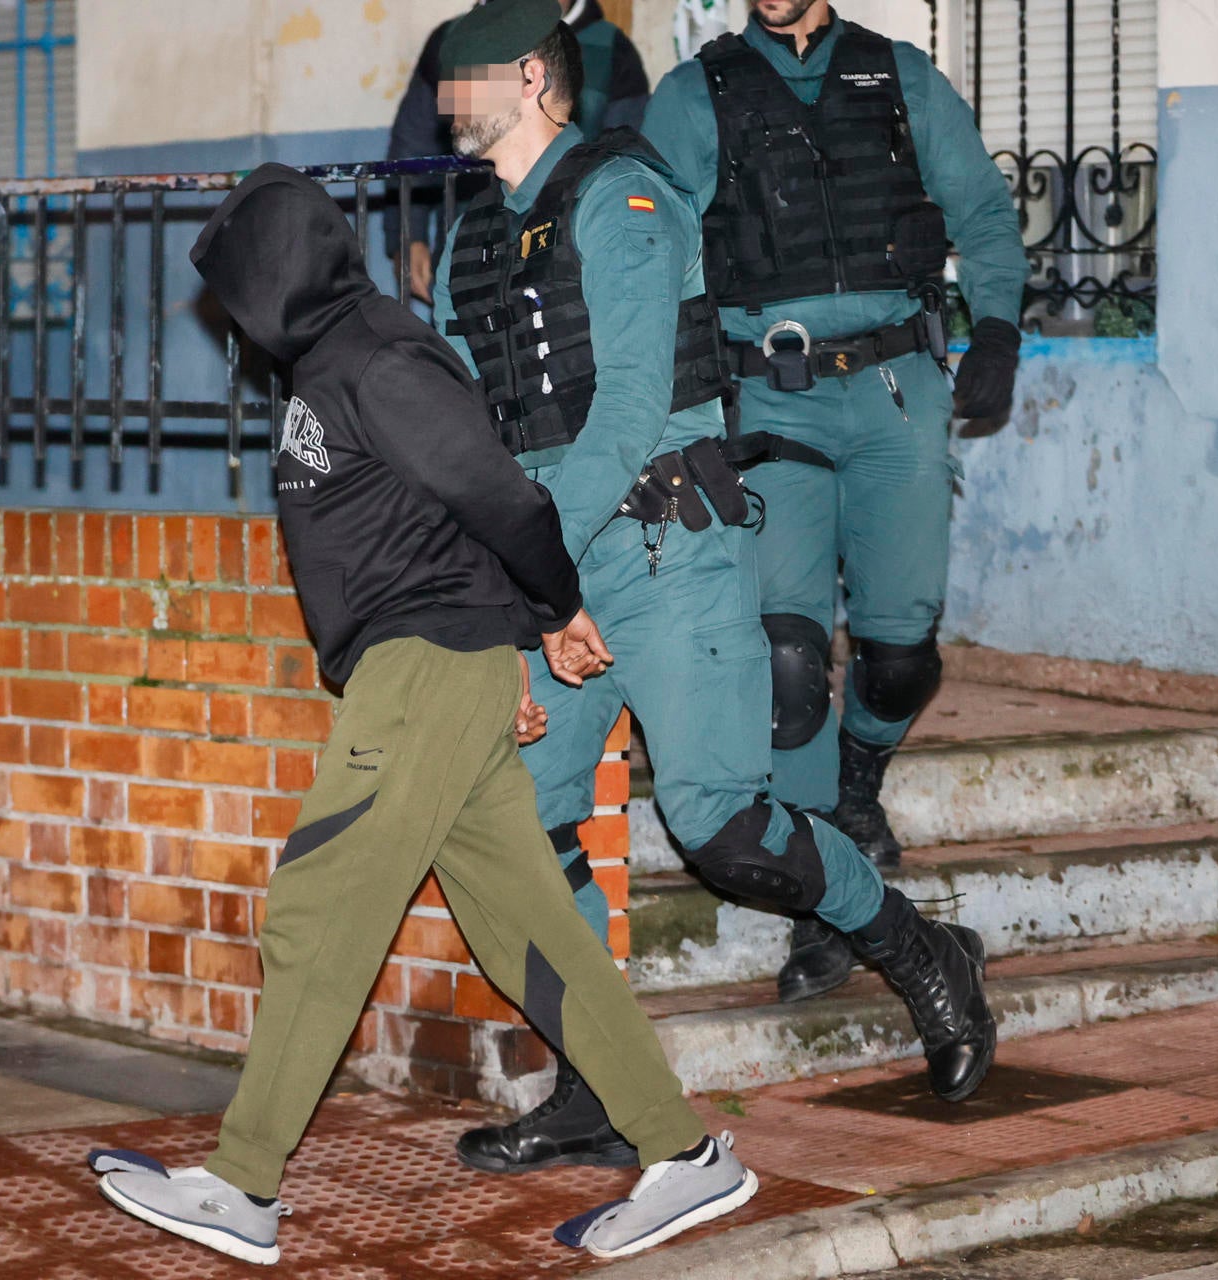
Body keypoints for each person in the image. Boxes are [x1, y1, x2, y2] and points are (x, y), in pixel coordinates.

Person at [87, 162, 760, 1266]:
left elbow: (495, 493)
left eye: (236, 286)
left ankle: (246, 1180)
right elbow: (431, 517)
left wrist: (544, 613)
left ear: (277, 272)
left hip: (424, 668)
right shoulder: (327, 362)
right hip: (438, 667)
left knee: (318, 901)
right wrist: (510, 646)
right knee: (533, 936)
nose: (230, 314)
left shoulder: (378, 354)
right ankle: (685, 1153)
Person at [429, 0, 997, 1174]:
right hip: (550, 571)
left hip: (657, 555)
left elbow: (634, 407)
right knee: (517, 827)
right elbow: (463, 421)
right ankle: (596, 1080)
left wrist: (535, 567)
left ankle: (921, 949)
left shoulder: (624, 197)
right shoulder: (475, 235)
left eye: (464, 77)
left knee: (722, 826)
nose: (445, 99)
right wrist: (505, 586)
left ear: (532, 77)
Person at [641, 0, 1029, 1002]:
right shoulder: (693, 97)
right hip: (767, 397)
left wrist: (996, 331)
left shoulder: (899, 77)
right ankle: (825, 899)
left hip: (897, 387)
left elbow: (983, 210)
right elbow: (645, 258)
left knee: (900, 652)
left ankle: (861, 776)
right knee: (789, 663)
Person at [386, 0, 650, 302]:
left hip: (566, 247)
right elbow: (412, 144)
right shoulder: (457, 39)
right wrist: (407, 236)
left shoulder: (611, 46)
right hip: (468, 242)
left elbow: (626, 147)